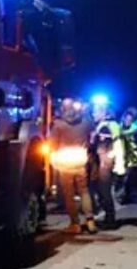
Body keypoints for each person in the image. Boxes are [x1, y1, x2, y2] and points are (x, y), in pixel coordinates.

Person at [50, 98, 95, 234]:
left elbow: (53, 145)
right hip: (80, 160)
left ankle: (75, 224)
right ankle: (90, 220)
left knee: (68, 194)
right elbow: (91, 138)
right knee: (84, 191)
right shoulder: (85, 122)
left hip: (64, 163)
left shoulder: (58, 125)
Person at [90, 103, 126, 229]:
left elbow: (103, 146)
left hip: (105, 162)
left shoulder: (105, 127)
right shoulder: (112, 125)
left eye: (96, 112)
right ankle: (109, 218)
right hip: (109, 160)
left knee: (104, 191)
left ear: (104, 113)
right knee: (104, 191)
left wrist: (92, 141)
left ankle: (110, 220)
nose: (93, 114)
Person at [121, 107, 137, 203]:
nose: (128, 121)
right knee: (127, 178)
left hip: (136, 155)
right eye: (126, 119)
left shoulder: (136, 129)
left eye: (130, 120)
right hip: (125, 155)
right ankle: (127, 196)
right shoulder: (120, 128)